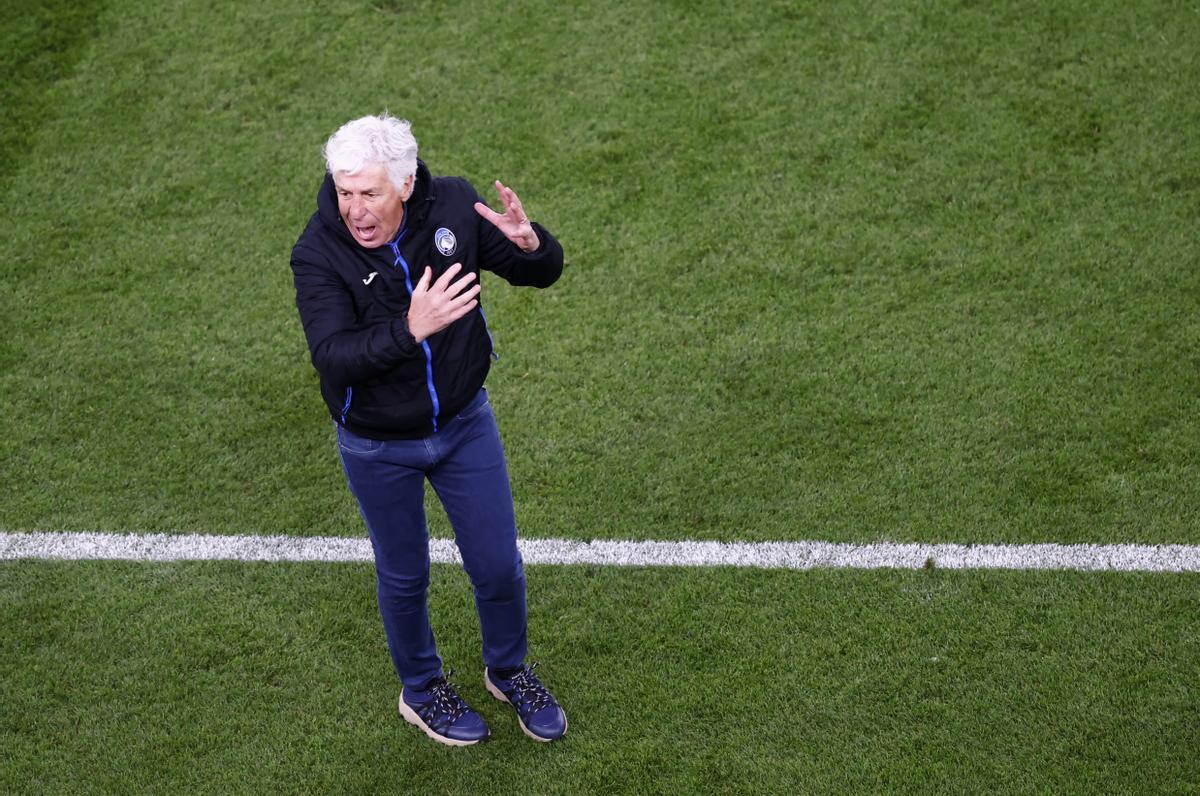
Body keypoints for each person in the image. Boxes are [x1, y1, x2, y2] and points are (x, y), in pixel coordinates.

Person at [290, 113, 567, 746]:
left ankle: (508, 670)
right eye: (345, 191)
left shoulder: (451, 205)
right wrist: (409, 329)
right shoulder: (317, 251)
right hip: (377, 444)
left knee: (498, 566)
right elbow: (332, 355)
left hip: (465, 426)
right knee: (405, 574)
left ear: (407, 184)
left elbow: (540, 271)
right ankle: (422, 689)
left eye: (369, 193)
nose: (354, 209)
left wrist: (531, 245)